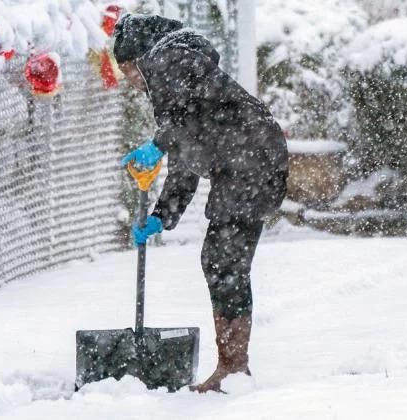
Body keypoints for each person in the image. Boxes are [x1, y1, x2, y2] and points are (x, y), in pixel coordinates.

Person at [114, 14, 288, 393]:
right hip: (251, 159)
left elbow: (191, 116)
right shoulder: (173, 71)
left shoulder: (171, 59)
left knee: (224, 260)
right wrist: (162, 215)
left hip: (249, 160)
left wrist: (157, 144)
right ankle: (232, 366)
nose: (129, 80)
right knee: (222, 260)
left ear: (138, 57)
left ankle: (234, 368)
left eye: (126, 68)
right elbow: (186, 158)